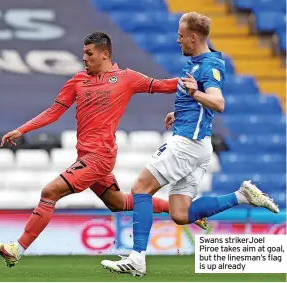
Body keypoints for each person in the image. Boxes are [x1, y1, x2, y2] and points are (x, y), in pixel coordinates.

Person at [0, 31, 207, 268]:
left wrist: (192, 84)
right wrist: (22, 130)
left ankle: (17, 249)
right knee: (117, 202)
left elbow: (160, 86)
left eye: (89, 53)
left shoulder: (126, 78)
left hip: (100, 157)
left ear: (104, 54)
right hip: (85, 155)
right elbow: (54, 111)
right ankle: (187, 211)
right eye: (84, 53)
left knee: (50, 192)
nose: (84, 58)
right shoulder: (76, 81)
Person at [100, 12, 279, 276]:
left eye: (181, 36)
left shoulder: (207, 66)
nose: (177, 40)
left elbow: (218, 103)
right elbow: (202, 101)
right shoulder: (203, 62)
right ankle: (241, 195)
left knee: (140, 188)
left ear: (193, 37)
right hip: (197, 143)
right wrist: (182, 111)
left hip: (188, 144)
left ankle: (137, 257)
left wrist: (195, 93)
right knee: (180, 214)